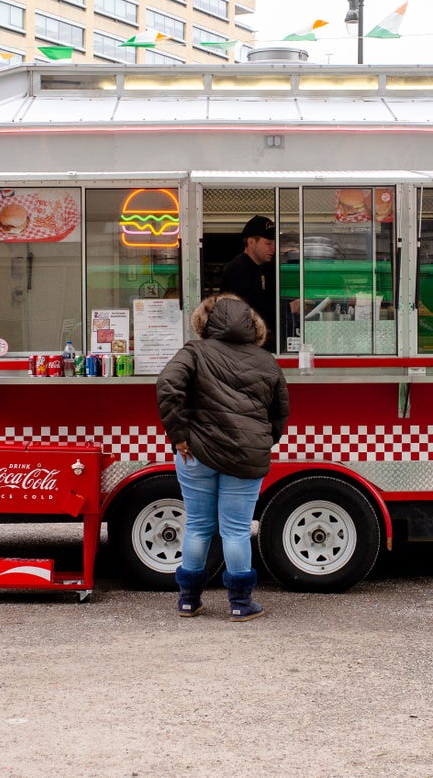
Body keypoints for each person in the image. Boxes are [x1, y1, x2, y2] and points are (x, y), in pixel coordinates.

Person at [156, 293, 290, 621]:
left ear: (206, 322)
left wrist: (180, 436)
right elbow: (280, 409)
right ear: (251, 325)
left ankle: (189, 600)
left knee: (198, 527)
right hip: (246, 456)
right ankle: (240, 604)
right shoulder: (265, 360)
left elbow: (167, 384)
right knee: (236, 530)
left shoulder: (194, 352)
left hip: (195, 453)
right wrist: (264, 440)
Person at [220, 215, 278, 350]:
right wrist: (287, 309)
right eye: (268, 243)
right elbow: (246, 314)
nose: (273, 248)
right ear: (251, 242)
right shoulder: (237, 270)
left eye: (274, 243)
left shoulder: (264, 269)